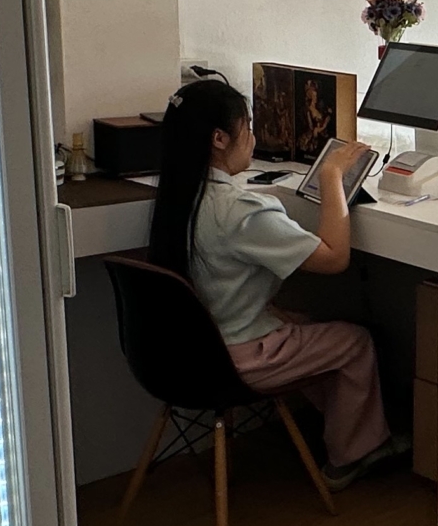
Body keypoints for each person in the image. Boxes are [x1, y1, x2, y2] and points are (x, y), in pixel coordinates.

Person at [148, 77, 404, 490]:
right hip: (234, 359)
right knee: (355, 341)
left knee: (302, 321)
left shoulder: (178, 196)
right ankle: (349, 457)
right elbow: (334, 258)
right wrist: (331, 178)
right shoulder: (240, 211)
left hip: (181, 351)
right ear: (219, 138)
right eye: (247, 127)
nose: (252, 138)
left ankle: (340, 430)